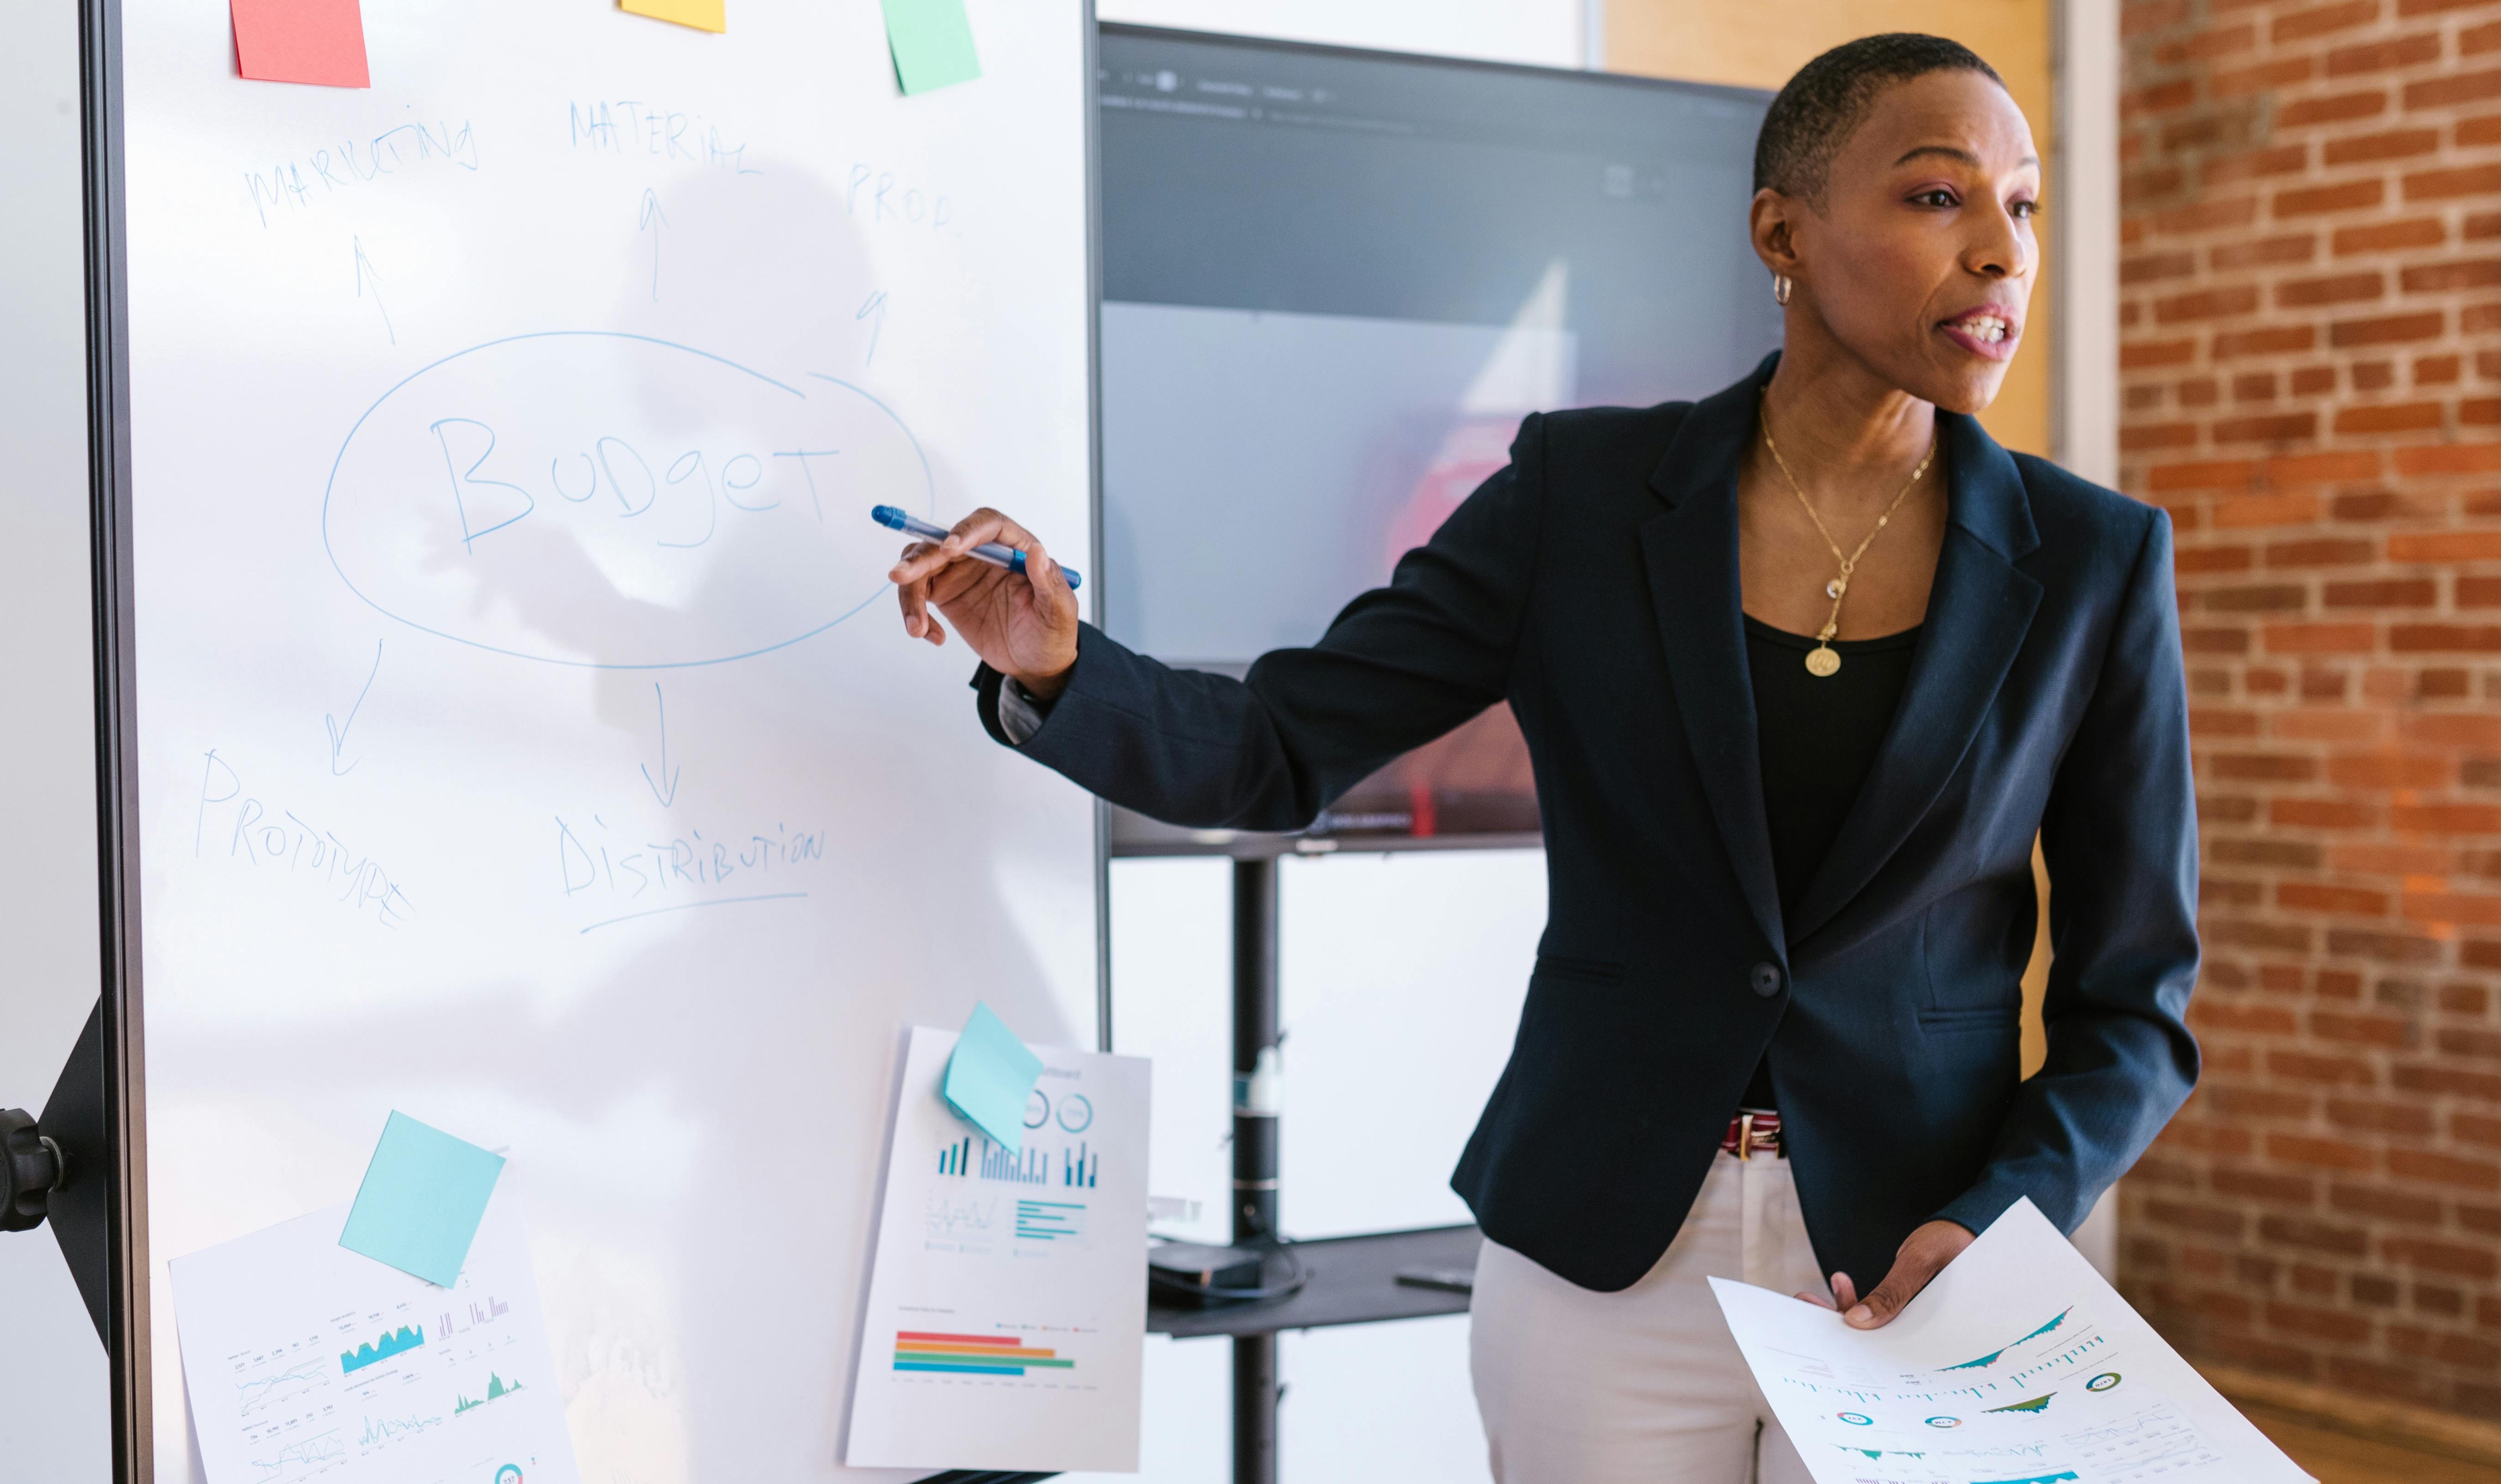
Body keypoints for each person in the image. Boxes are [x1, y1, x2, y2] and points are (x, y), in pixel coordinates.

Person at [890, 33, 2197, 1484]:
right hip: (1598, 1259)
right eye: (1939, 196)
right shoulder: (1580, 494)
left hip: (1917, 1270)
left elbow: (2134, 1002)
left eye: (2023, 205)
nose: (2000, 252)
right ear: (1781, 233)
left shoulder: (2094, 562)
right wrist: (1061, 665)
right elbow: (1276, 746)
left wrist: (2002, 1210)